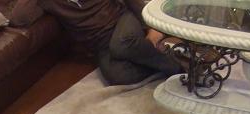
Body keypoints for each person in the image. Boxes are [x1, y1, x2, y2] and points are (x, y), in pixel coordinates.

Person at [38, 0, 183, 85]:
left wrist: (152, 27)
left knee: (121, 44)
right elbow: (24, 16)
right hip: (101, 42)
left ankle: (178, 67)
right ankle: (154, 52)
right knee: (118, 76)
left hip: (122, 21)